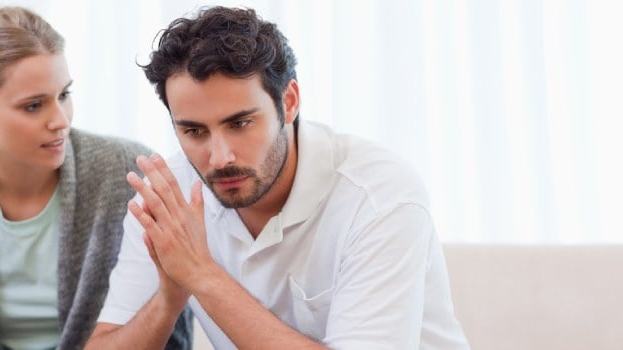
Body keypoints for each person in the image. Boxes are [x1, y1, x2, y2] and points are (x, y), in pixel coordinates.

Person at [86, 6, 470, 350]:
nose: (220, 159)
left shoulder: (380, 196)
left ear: (288, 103)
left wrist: (201, 274)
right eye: (194, 132)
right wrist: (169, 299)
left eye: (240, 124)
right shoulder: (168, 197)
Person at [0, 6, 192, 350]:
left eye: (64, 95)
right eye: (34, 106)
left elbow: (173, 336)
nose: (60, 120)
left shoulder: (128, 174)